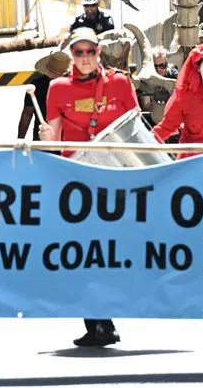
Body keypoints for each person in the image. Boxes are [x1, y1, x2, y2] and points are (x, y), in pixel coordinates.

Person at [41, 27, 139, 348]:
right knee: (84, 254)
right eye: (78, 52)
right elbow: (53, 141)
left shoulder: (120, 83)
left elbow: (135, 129)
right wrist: (45, 138)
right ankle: (97, 321)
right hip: (78, 181)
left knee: (114, 251)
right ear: (71, 55)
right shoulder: (57, 88)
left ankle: (105, 318)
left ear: (99, 53)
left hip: (114, 179)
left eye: (90, 52)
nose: (84, 58)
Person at [17, 50, 70, 141]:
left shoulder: (36, 84)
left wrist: (20, 139)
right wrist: (20, 140)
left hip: (61, 136)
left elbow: (27, 114)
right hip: (46, 136)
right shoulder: (36, 86)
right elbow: (27, 114)